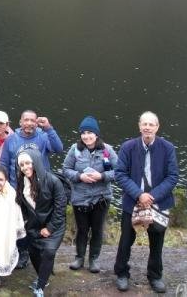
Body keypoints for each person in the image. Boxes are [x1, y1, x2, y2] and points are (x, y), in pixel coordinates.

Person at [113, 111, 178, 294]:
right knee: (126, 239)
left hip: (158, 202)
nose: (147, 127)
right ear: (139, 126)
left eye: (151, 124)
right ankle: (122, 273)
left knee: (156, 240)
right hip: (132, 200)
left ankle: (155, 276)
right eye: (144, 124)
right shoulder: (128, 147)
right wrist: (139, 194)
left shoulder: (168, 147)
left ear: (157, 127)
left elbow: (173, 176)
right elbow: (120, 174)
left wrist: (152, 196)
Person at [62, 115, 117, 273]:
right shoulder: (75, 149)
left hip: (101, 197)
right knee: (82, 229)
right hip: (80, 197)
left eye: (89, 132)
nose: (86, 136)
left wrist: (102, 176)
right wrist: (79, 176)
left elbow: (120, 171)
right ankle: (79, 258)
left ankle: (94, 259)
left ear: (96, 134)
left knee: (97, 229)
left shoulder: (107, 150)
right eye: (83, 133)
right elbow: (65, 169)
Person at [15, 150, 67, 297]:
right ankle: (43, 276)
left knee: (49, 252)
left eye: (28, 163)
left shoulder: (53, 181)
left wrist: (50, 228)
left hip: (54, 225)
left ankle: (40, 286)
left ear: (36, 162)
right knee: (34, 252)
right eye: (22, 165)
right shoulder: (21, 182)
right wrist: (25, 221)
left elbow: (60, 207)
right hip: (34, 225)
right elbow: (22, 204)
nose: (25, 167)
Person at [0, 110, 64, 184]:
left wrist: (48, 128)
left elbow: (59, 149)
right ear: (20, 122)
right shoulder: (10, 140)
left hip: (41, 186)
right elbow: (4, 164)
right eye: (26, 120)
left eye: (32, 121)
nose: (29, 123)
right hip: (17, 187)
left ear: (36, 124)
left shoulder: (43, 136)